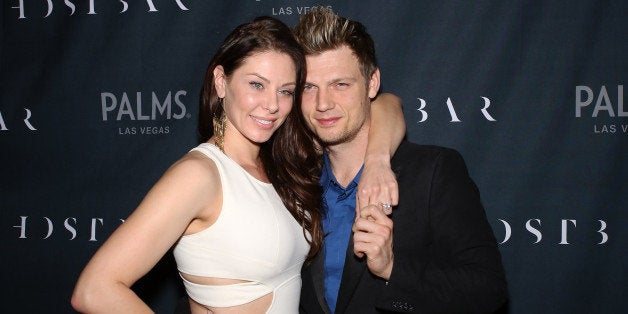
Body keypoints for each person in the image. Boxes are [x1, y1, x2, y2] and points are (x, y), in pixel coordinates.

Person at [71, 16, 405, 314]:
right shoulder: (199, 175)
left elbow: (385, 104)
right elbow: (94, 290)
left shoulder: (280, 164)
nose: (272, 105)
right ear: (221, 81)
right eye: (256, 84)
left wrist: (377, 161)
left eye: (286, 91)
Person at [293, 8, 508, 314]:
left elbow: (488, 289)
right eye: (309, 87)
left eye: (340, 84)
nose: (323, 103)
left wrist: (392, 268)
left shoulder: (433, 172)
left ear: (372, 83)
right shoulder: (294, 182)